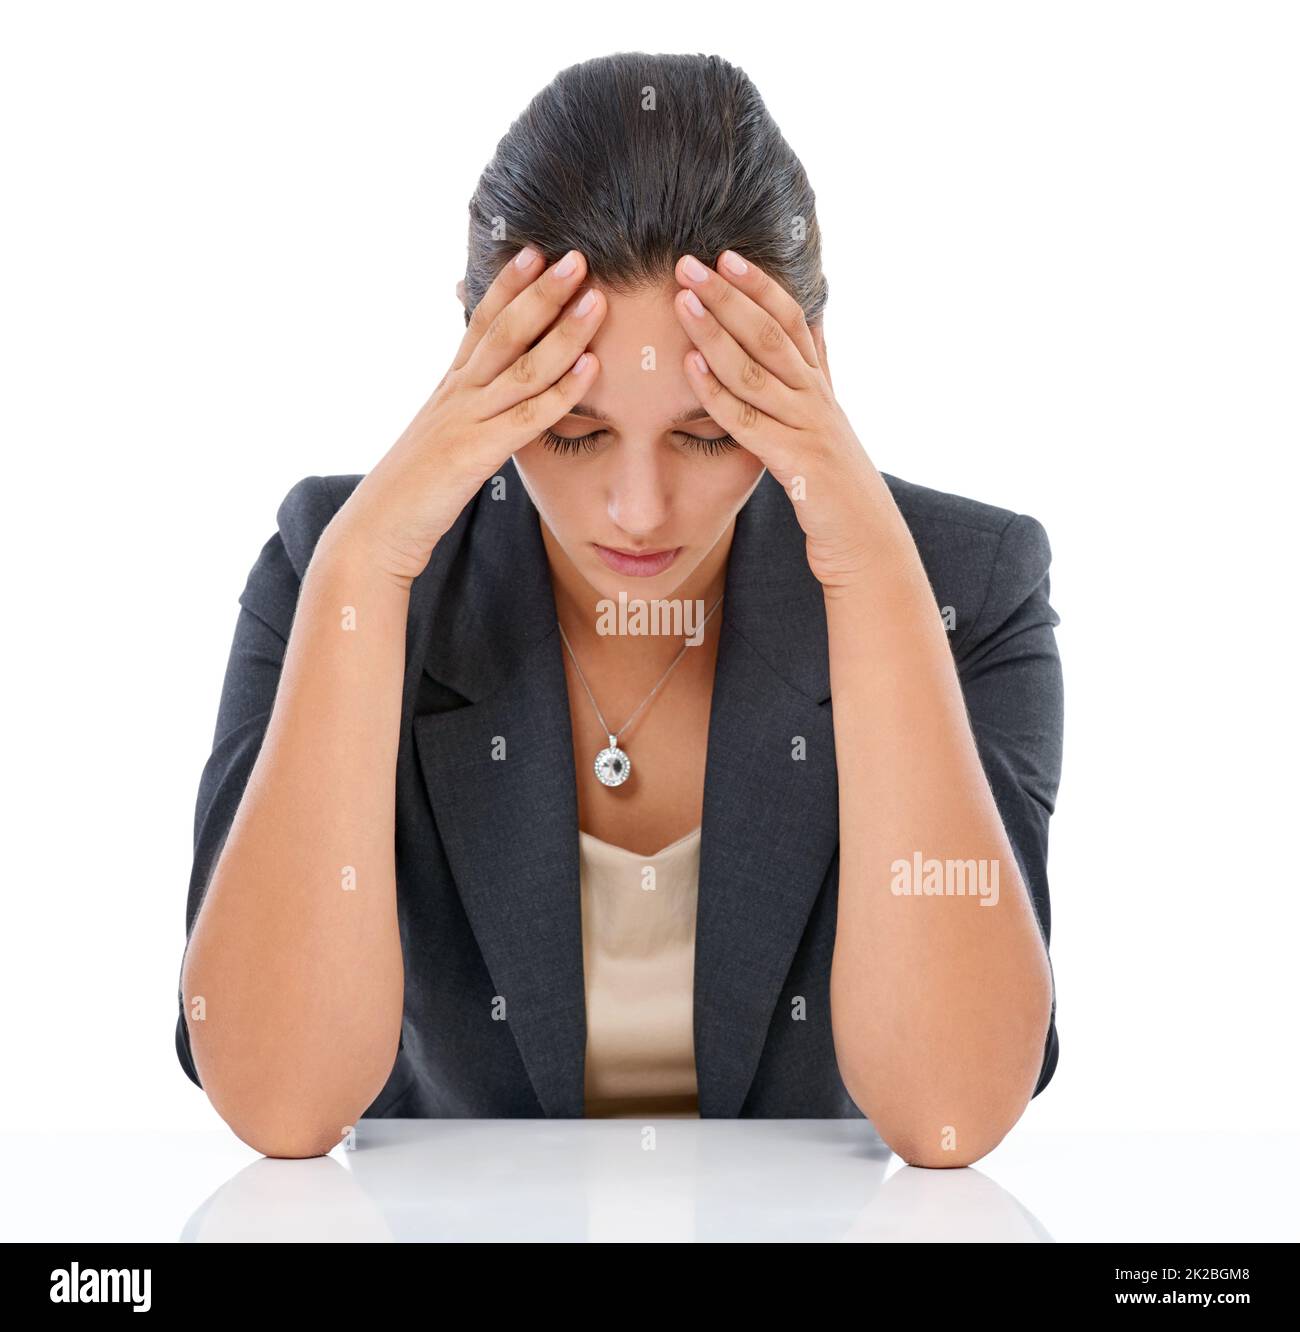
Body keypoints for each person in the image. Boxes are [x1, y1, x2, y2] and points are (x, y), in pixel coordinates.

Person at [175, 52, 1063, 1167]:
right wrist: (364, 575)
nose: (637, 510)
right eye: (575, 434)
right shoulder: (336, 570)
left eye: (705, 433)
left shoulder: (962, 591)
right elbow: (278, 1105)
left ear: (803, 369)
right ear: (478, 364)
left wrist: (873, 575)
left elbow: (953, 1115)